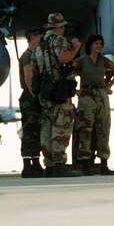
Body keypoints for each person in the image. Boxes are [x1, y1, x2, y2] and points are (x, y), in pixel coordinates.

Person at [29, 12, 82, 177]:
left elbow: (34, 68)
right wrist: (75, 49)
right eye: (63, 27)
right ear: (59, 27)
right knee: (62, 124)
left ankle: (49, 165)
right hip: (59, 89)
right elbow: (63, 58)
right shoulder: (59, 40)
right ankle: (59, 163)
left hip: (45, 91)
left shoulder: (40, 44)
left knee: (47, 126)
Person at [73, 34, 114, 176]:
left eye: (100, 44)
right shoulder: (82, 60)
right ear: (90, 46)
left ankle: (104, 164)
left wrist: (108, 86)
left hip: (101, 94)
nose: (99, 46)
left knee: (104, 128)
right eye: (96, 43)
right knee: (85, 129)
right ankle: (84, 163)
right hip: (87, 95)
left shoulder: (104, 61)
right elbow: (69, 72)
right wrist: (75, 90)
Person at [18, 28, 44, 178]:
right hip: (30, 97)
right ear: (32, 38)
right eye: (38, 36)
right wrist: (35, 95)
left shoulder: (33, 55)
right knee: (29, 132)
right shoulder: (28, 56)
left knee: (35, 131)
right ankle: (27, 165)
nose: (40, 39)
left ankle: (35, 162)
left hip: (33, 97)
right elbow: (28, 78)